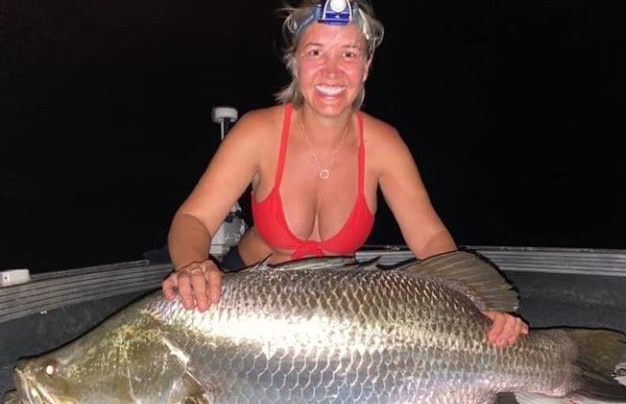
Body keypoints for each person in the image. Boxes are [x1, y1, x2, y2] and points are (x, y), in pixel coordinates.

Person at [162, 0, 528, 346]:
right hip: (249, 291)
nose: (332, 71)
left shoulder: (384, 144)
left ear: (366, 66)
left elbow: (430, 239)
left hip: (340, 301)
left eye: (348, 54)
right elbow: (194, 218)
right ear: (296, 63)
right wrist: (194, 266)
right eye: (316, 52)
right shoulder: (257, 132)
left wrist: (478, 302)